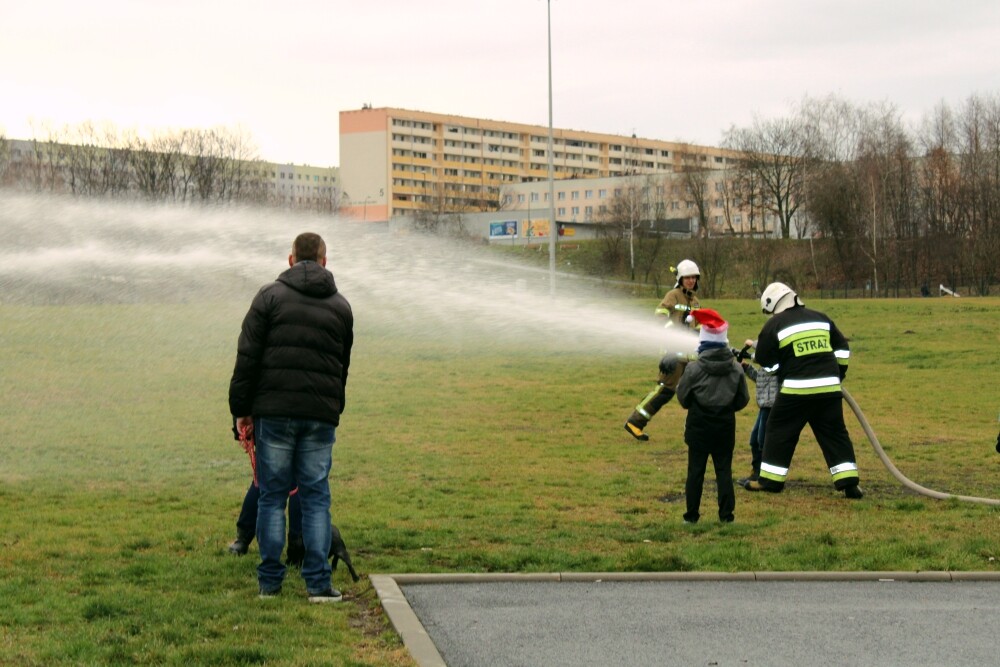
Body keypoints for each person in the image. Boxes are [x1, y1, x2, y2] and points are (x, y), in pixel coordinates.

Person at [229, 232, 354, 602]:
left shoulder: (267, 297)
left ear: (290, 260)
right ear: (324, 262)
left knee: (271, 496)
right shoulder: (341, 306)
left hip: (274, 414)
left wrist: (241, 411)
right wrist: (333, 408)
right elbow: (341, 366)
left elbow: (246, 358)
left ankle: (270, 583)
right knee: (316, 497)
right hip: (320, 415)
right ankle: (318, 584)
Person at [743, 282, 863, 499]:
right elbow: (843, 350)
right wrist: (837, 375)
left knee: (778, 430)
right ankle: (849, 484)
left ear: (773, 305)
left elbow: (767, 364)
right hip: (829, 390)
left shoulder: (774, 324)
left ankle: (770, 481)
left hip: (796, 391)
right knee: (835, 434)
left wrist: (783, 370)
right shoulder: (821, 318)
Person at [675, 308, 750, 523]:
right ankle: (726, 516)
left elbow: (683, 397)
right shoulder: (736, 369)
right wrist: (726, 408)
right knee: (724, 472)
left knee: (695, 472)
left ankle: (691, 516)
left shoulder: (693, 368)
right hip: (725, 426)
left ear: (703, 342)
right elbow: (742, 399)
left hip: (698, 426)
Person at [624, 260, 701, 441]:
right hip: (673, 353)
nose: (690, 281)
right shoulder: (673, 295)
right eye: (687, 278)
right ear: (680, 279)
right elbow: (660, 315)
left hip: (691, 355)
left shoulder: (696, 301)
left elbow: (698, 326)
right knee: (665, 390)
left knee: (697, 392)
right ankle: (635, 422)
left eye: (693, 278)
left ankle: (695, 431)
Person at [737, 339, 778, 485]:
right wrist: (746, 367)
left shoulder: (777, 364)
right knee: (754, 439)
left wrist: (751, 349)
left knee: (763, 441)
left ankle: (765, 476)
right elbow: (760, 378)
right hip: (764, 406)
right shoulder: (766, 367)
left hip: (772, 406)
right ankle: (756, 473)